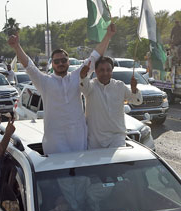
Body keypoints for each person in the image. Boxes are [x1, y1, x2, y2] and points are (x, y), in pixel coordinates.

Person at [8, 23, 116, 154]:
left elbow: (94, 57)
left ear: (68, 62)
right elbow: (29, 66)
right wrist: (16, 47)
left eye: (63, 60)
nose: (60, 64)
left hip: (78, 140)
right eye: (57, 61)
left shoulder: (77, 76)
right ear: (52, 64)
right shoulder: (44, 81)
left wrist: (108, 35)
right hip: (54, 143)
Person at [79, 56, 142, 149]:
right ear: (96, 71)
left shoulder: (119, 86)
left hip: (117, 138)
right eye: (102, 70)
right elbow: (83, 86)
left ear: (112, 71)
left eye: (108, 70)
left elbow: (136, 101)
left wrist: (134, 89)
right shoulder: (91, 86)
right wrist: (83, 76)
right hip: (95, 140)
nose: (105, 73)